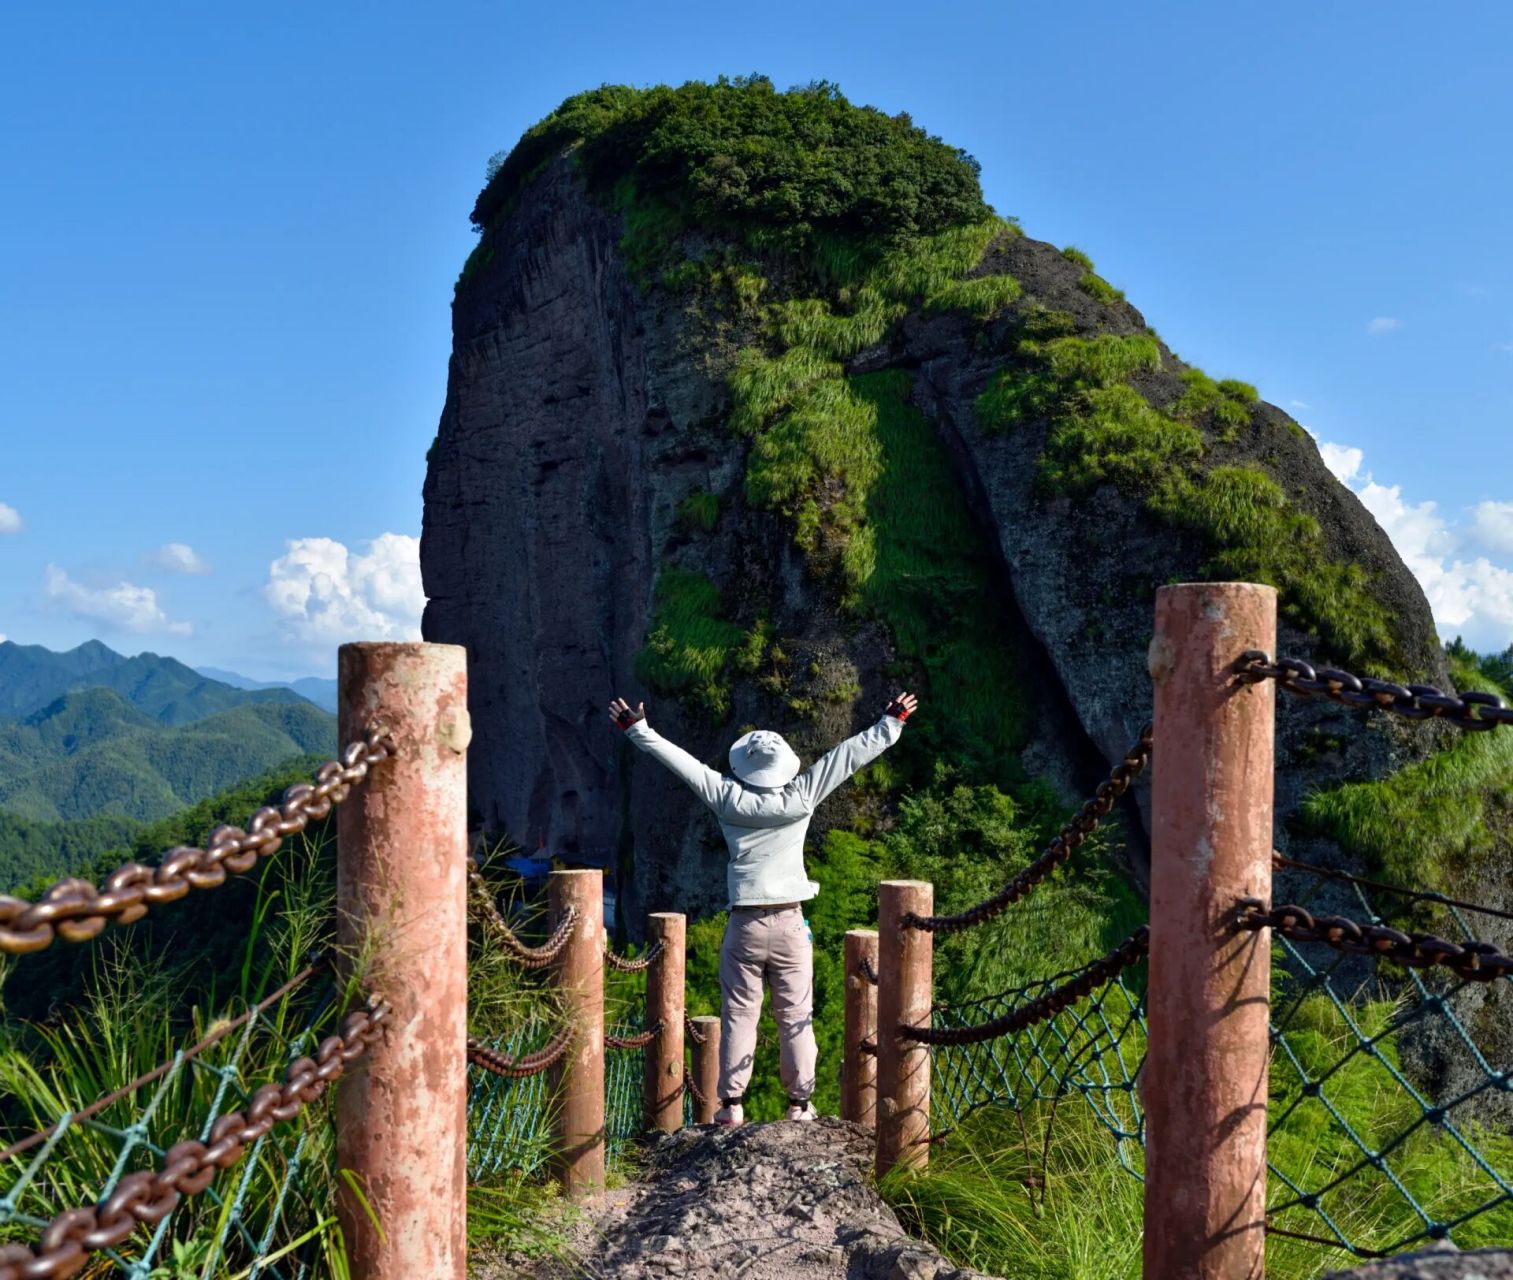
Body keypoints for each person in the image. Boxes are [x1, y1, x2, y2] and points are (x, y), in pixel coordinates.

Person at [607, 689, 919, 1126]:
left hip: (745, 925)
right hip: (791, 922)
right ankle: (800, 1105)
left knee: (739, 1014)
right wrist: (893, 721)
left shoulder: (726, 797)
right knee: (796, 1016)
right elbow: (848, 756)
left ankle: (731, 1106)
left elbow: (682, 764)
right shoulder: (802, 796)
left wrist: (637, 729)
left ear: (744, 767)